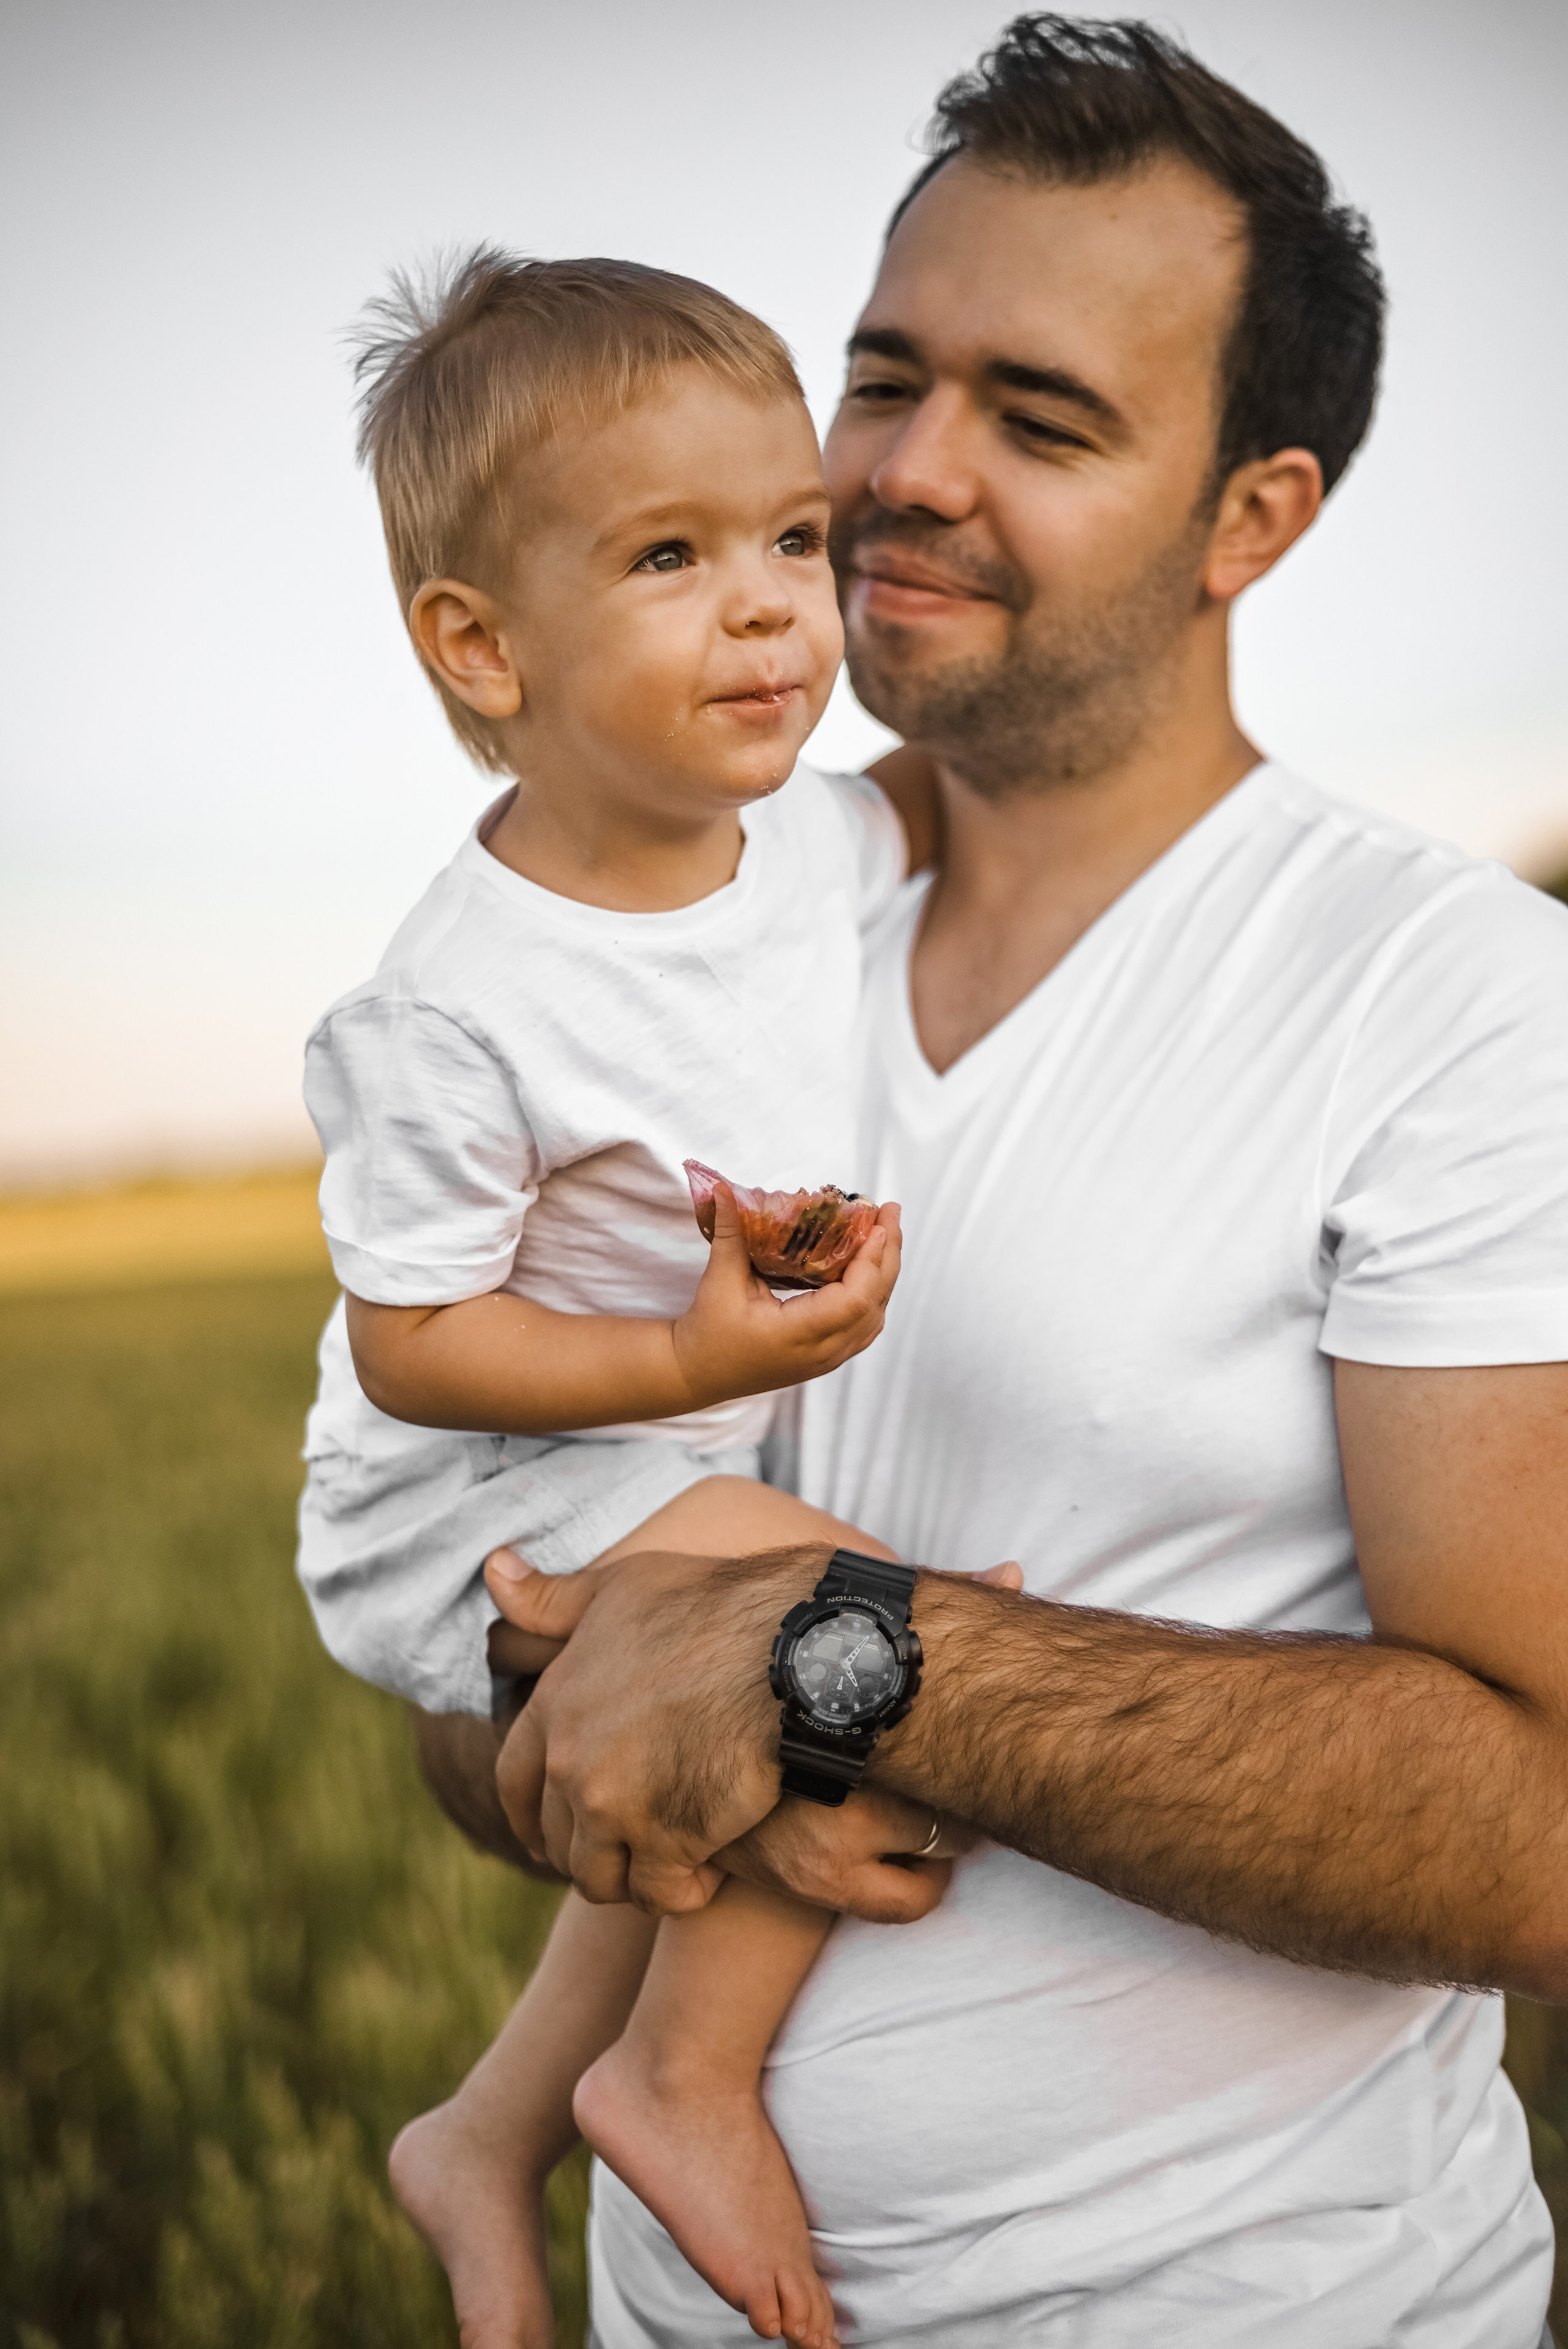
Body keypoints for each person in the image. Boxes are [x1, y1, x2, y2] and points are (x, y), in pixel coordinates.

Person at [462, 17, 1568, 2348]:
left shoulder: (1449, 996)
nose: (905, 474)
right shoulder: (659, 933)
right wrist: (597, 1716)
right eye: (884, 381)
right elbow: (471, 1672)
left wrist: (827, 1655)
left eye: (1041, 421)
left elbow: (1545, 1822)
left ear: (1252, 516)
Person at [296, 250, 1019, 2349]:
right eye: (672, 554)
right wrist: (690, 1358)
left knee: (769, 1707)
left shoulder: (800, 844)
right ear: (481, 644)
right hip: (483, 1499)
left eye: (795, 534)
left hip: (652, 1448)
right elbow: (407, 1343)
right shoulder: (456, 1003)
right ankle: (675, 2081)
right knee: (878, 1625)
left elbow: (943, 821)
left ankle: (488, 2124)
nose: (776, 602)